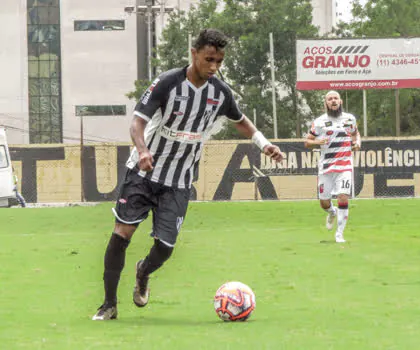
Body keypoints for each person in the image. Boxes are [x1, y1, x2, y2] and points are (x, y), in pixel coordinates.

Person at [92, 28, 283, 321]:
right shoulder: (167, 83)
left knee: (165, 248)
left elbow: (240, 120)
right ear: (193, 54)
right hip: (142, 175)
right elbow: (137, 123)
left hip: (178, 182)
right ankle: (108, 305)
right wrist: (143, 150)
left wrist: (264, 143)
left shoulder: (220, 93)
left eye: (219, 61)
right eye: (209, 59)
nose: (214, 67)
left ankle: (143, 271)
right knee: (122, 234)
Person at [304, 91, 361, 243]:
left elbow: (355, 134)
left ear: (340, 101)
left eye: (335, 98)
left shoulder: (350, 119)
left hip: (344, 166)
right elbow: (307, 142)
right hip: (326, 168)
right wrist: (318, 142)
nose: (333, 101)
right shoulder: (319, 122)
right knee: (324, 202)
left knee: (343, 197)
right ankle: (332, 211)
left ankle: (339, 234)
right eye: (330, 99)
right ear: (326, 104)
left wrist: (357, 143)